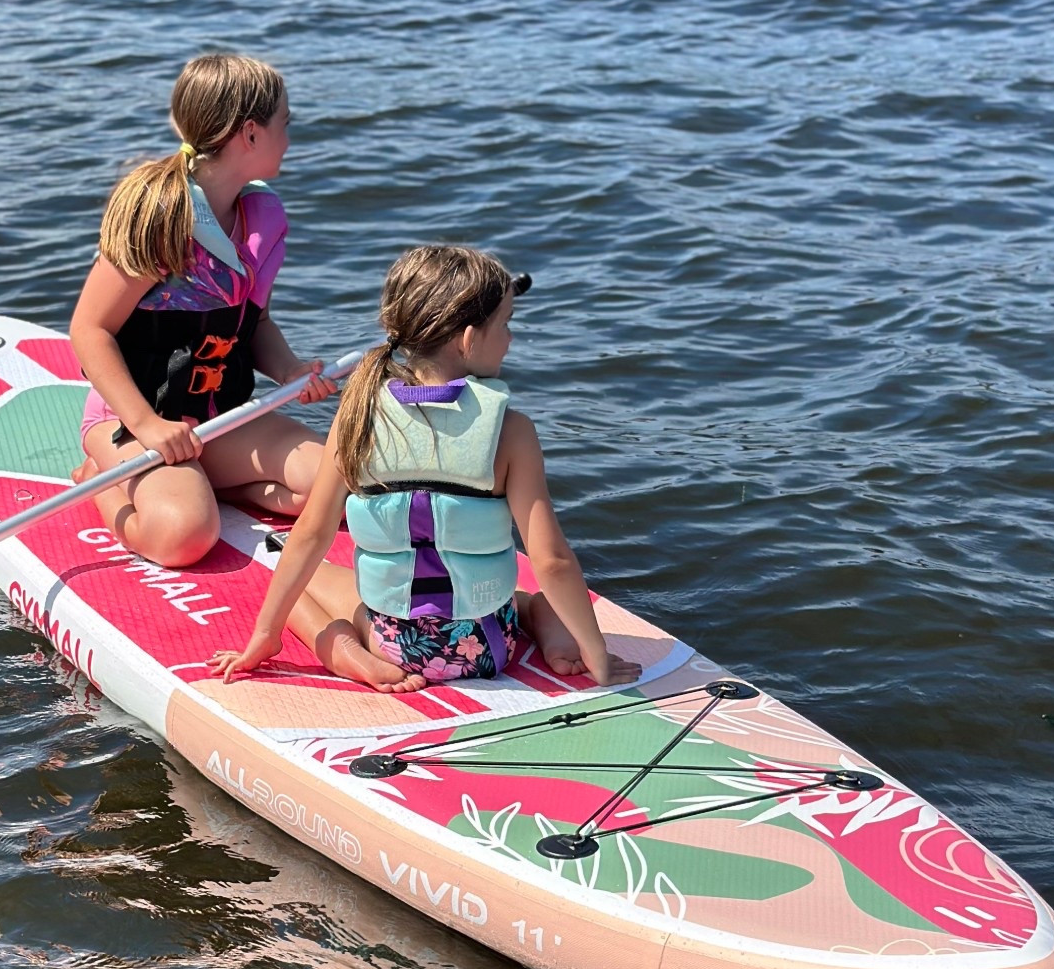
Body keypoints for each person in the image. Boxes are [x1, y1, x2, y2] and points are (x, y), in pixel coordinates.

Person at [212, 245, 643, 694]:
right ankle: (556, 639)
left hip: (393, 644)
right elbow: (552, 561)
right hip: (490, 645)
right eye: (506, 324)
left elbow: (310, 535)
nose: (511, 338)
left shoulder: (358, 415)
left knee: (302, 584)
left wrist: (264, 635)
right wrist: (598, 657)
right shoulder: (511, 431)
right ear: (469, 338)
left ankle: (349, 657)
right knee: (530, 598)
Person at [69, 53, 336, 568]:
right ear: (250, 135)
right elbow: (90, 329)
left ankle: (203, 482)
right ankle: (99, 479)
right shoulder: (159, 213)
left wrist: (290, 371)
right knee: (184, 537)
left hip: (219, 419)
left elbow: (253, 323)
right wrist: (146, 424)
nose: (291, 136)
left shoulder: (264, 216)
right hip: (137, 420)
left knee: (336, 488)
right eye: (286, 123)